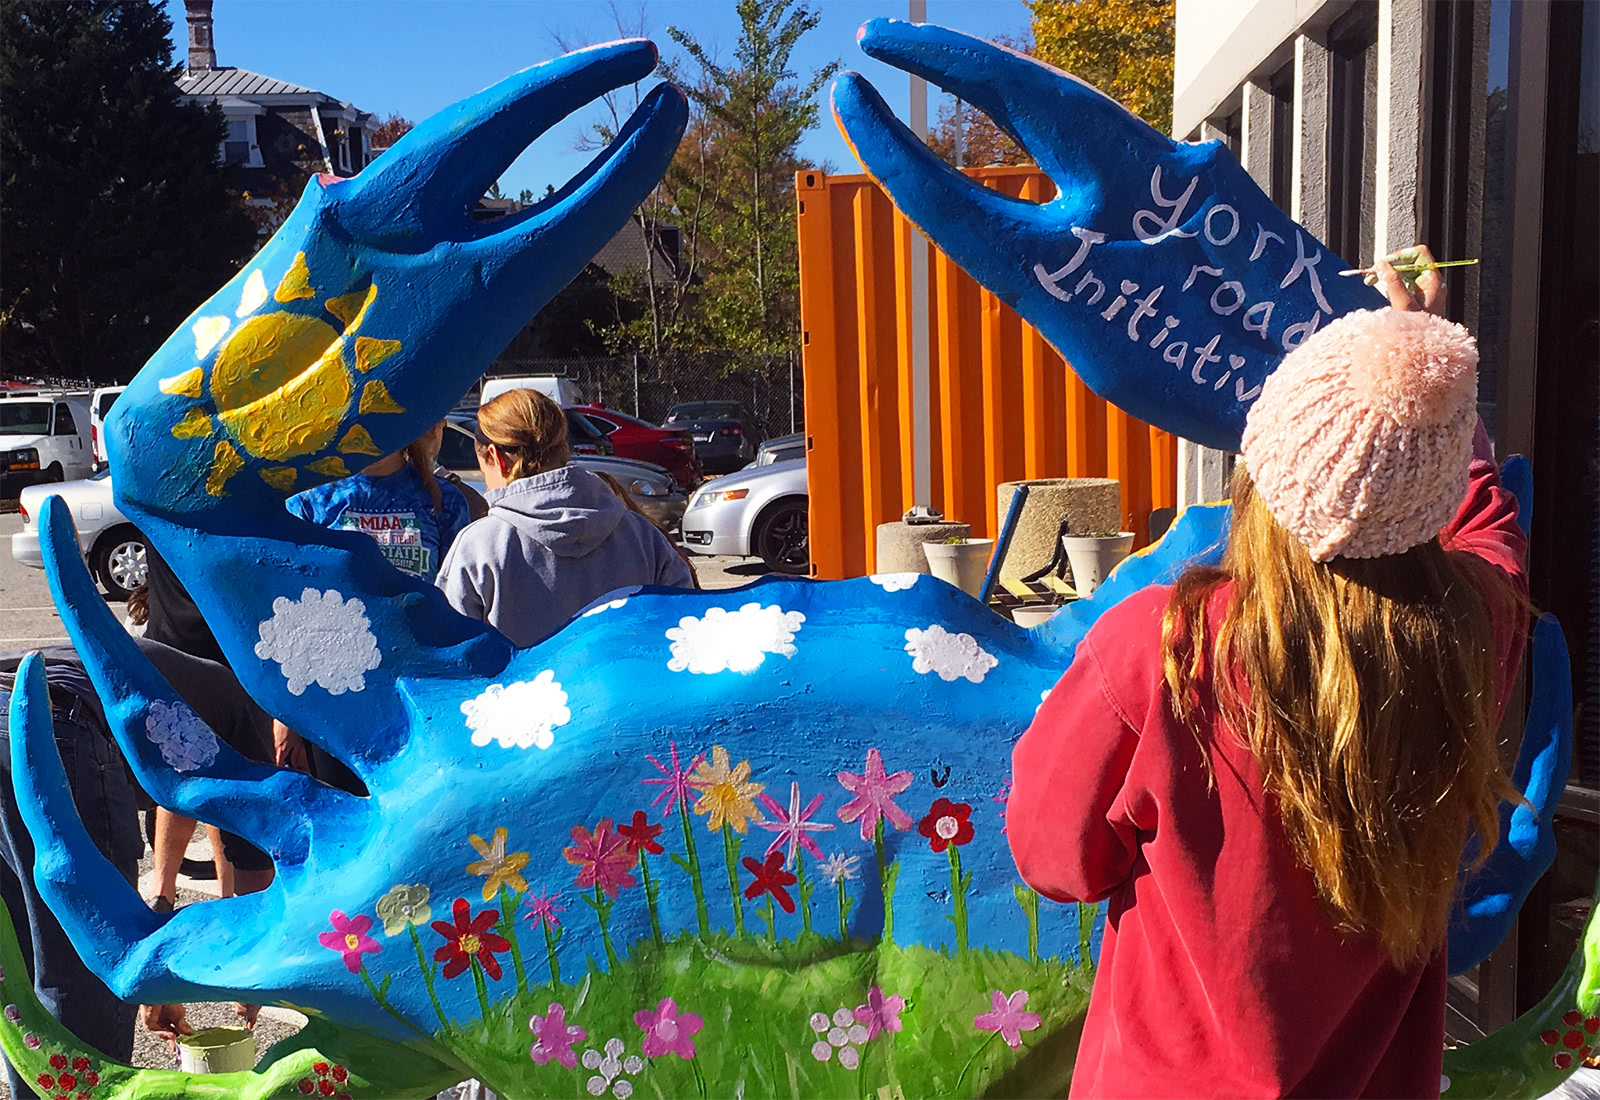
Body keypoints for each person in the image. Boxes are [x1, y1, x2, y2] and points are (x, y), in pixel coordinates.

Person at [1007, 251, 1528, 1097]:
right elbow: (1487, 532)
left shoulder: (1163, 648)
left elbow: (1052, 859)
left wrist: (1409, 349)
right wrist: (1424, 373)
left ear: (1264, 472)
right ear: (1426, 501)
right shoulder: (1469, 632)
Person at [436, 389, 694, 646]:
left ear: (495, 457)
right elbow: (687, 627)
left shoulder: (479, 546)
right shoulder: (643, 536)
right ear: (565, 448)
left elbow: (452, 652)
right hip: (631, 683)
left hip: (523, 687)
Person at [0, 647, 142, 1094]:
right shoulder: (244, 703)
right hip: (53, 725)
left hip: (15, 705)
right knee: (89, 960)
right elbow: (245, 855)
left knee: (16, 965)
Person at [287, 421, 473, 584]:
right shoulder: (312, 501)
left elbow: (455, 590)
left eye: (379, 425)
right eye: (360, 426)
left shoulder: (445, 499)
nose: (367, 438)